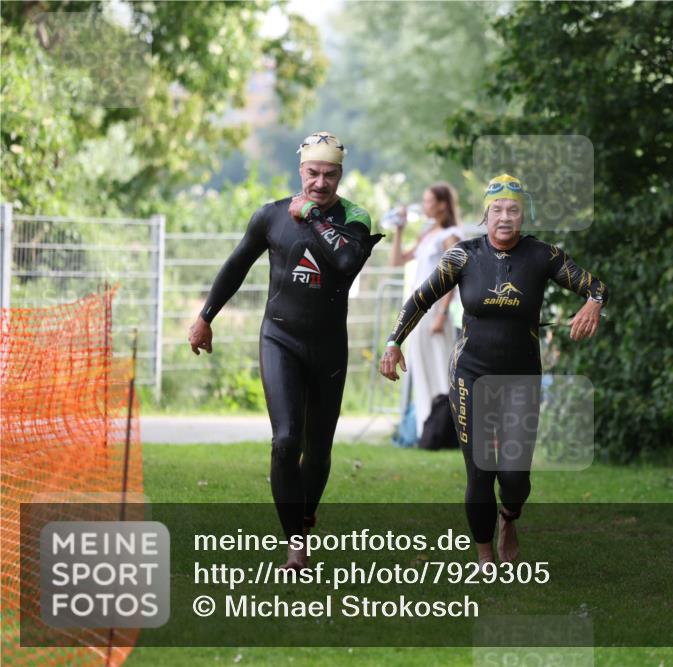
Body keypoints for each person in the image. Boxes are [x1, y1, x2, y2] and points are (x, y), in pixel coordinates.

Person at [379, 174, 608, 566]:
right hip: (471, 375)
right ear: (486, 214)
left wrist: (593, 303)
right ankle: (485, 554)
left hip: (521, 377)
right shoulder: (463, 256)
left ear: (524, 216)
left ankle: (509, 518)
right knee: (481, 471)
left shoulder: (543, 256)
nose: (505, 217)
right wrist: (393, 342)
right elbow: (420, 298)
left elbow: (596, 285)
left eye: (513, 210)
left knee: (516, 476)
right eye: (498, 209)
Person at [187, 131, 383, 570]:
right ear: (301, 171)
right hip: (280, 339)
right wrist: (205, 317)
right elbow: (237, 264)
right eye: (313, 173)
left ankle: (305, 515)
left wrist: (312, 215)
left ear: (340, 176)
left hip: (329, 346)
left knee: (318, 451)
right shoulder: (270, 216)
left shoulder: (355, 217)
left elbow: (347, 261)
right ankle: (295, 540)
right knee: (285, 439)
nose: (320, 182)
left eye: (329, 175)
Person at [389, 183, 465, 440]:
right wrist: (399, 229)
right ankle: (427, 430)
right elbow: (397, 260)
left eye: (429, 201)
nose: (425, 206)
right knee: (421, 367)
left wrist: (442, 313)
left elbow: (453, 278)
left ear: (442, 204)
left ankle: (449, 431)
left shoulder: (450, 235)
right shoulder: (427, 235)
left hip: (435, 312)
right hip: (418, 310)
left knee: (442, 366)